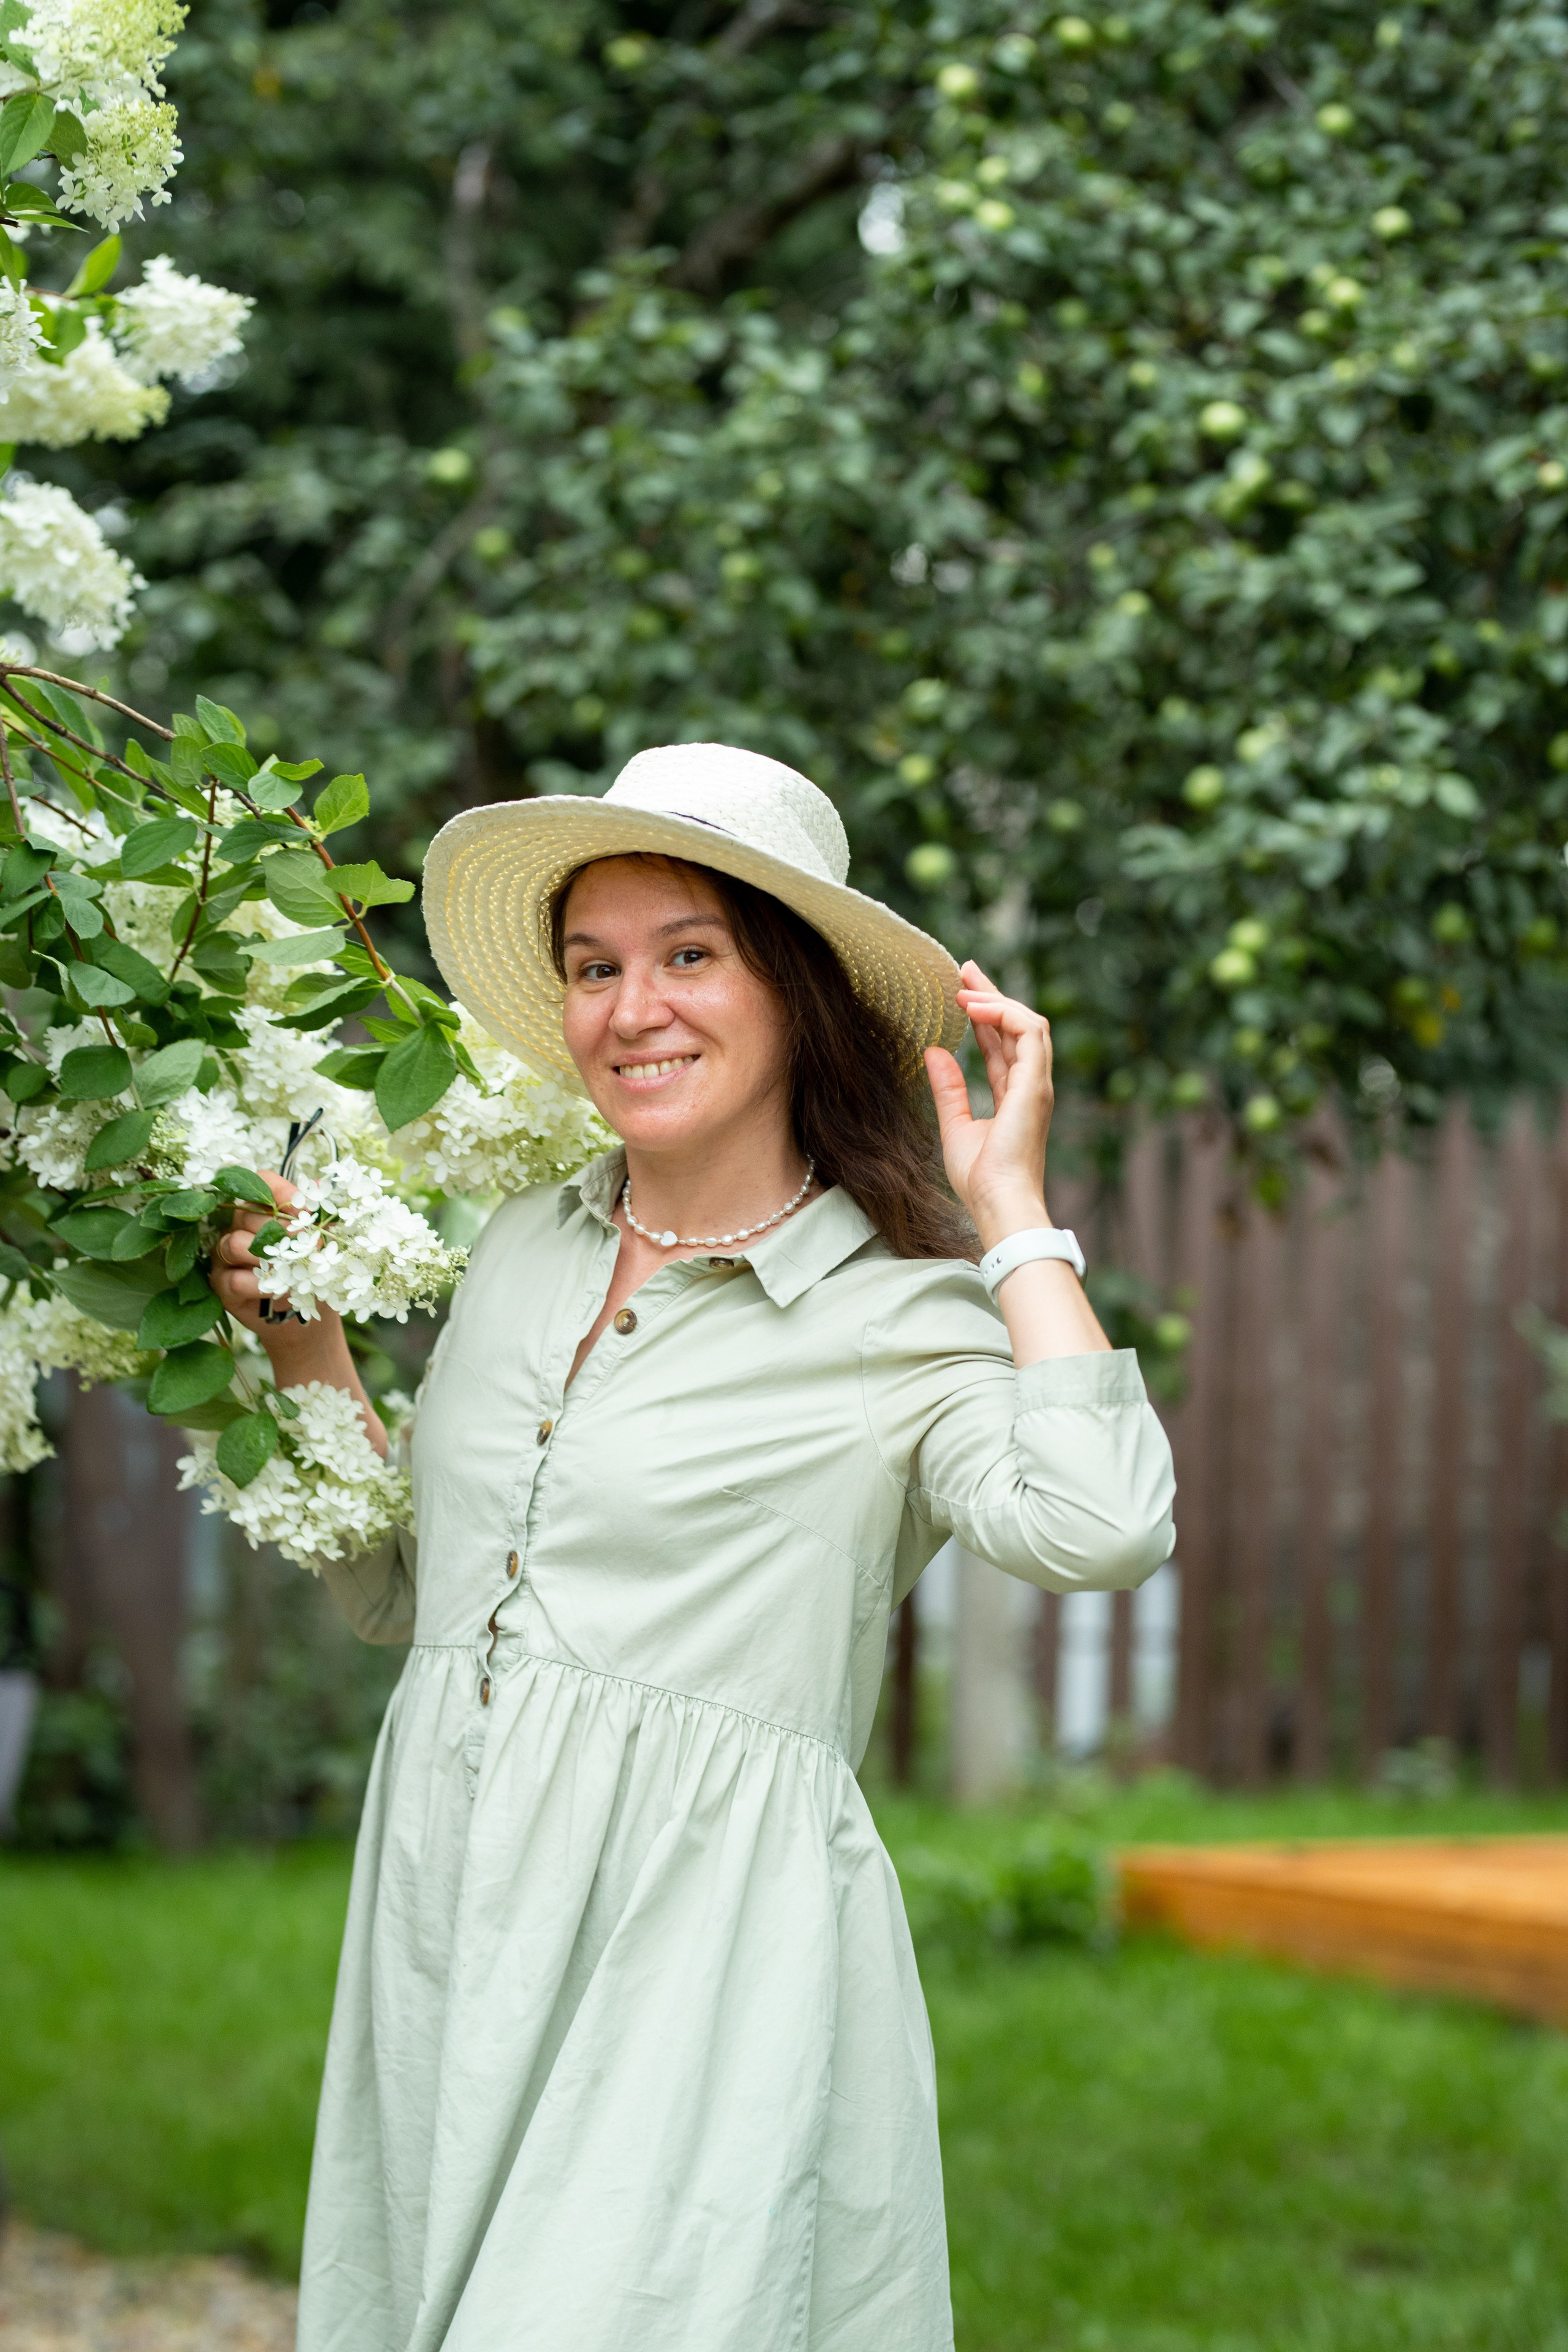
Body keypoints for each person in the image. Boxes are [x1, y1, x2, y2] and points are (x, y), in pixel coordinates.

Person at [211, 743, 1176, 2352]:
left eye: (688, 956)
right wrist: (301, 1342)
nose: (627, 1008)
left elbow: (1105, 1522)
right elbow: (409, 1598)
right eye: (594, 966)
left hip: (698, 1959)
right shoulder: (521, 1245)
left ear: (793, 990)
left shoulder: (899, 1320)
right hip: (447, 1922)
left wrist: (1013, 1218)